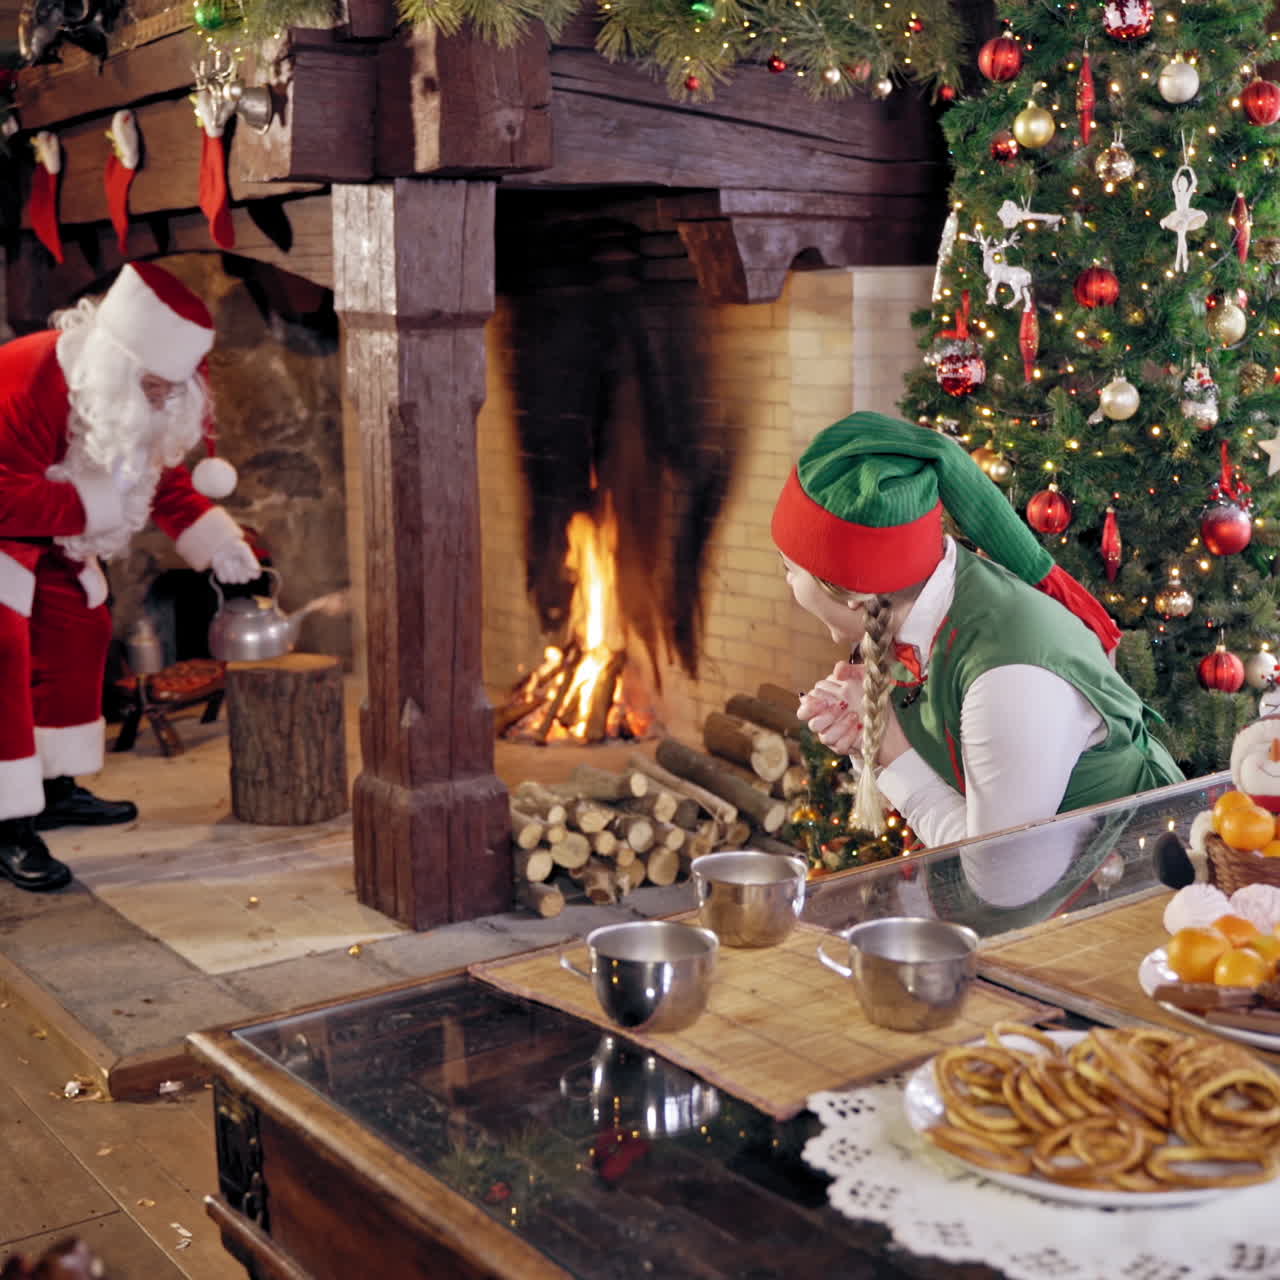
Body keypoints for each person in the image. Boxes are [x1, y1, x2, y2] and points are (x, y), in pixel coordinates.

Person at [771, 411, 1183, 851]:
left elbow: (1002, 878)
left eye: (789, 569)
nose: (787, 583)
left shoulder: (1010, 677)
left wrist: (890, 750)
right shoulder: (928, 601)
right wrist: (863, 735)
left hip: (1135, 888)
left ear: (854, 591)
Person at [0, 261, 262, 892]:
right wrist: (95, 505)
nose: (160, 398)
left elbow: (163, 481)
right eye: (151, 384)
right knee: (4, 649)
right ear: (116, 358)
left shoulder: (140, 397)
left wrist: (219, 544)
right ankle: (7, 822)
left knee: (81, 630)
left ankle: (53, 787)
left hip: (54, 536)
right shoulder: (25, 377)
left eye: (171, 388)